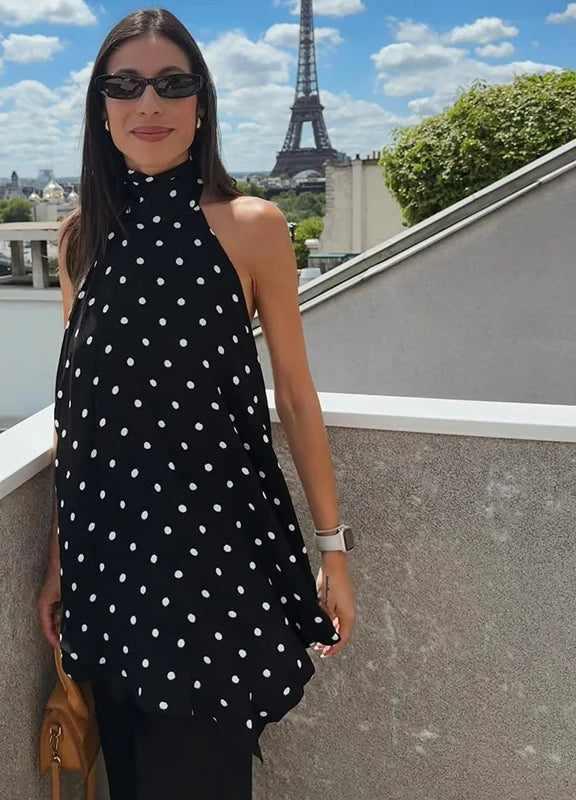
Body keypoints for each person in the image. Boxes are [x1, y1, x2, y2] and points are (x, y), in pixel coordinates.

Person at [38, 7, 356, 799]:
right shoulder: (82, 238)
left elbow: (295, 394)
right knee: (134, 782)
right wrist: (57, 566)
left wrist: (334, 549)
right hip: (108, 565)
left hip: (211, 568)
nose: (149, 104)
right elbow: (79, 421)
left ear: (202, 103)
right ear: (101, 108)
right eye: (126, 85)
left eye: (172, 84)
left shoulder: (253, 227)